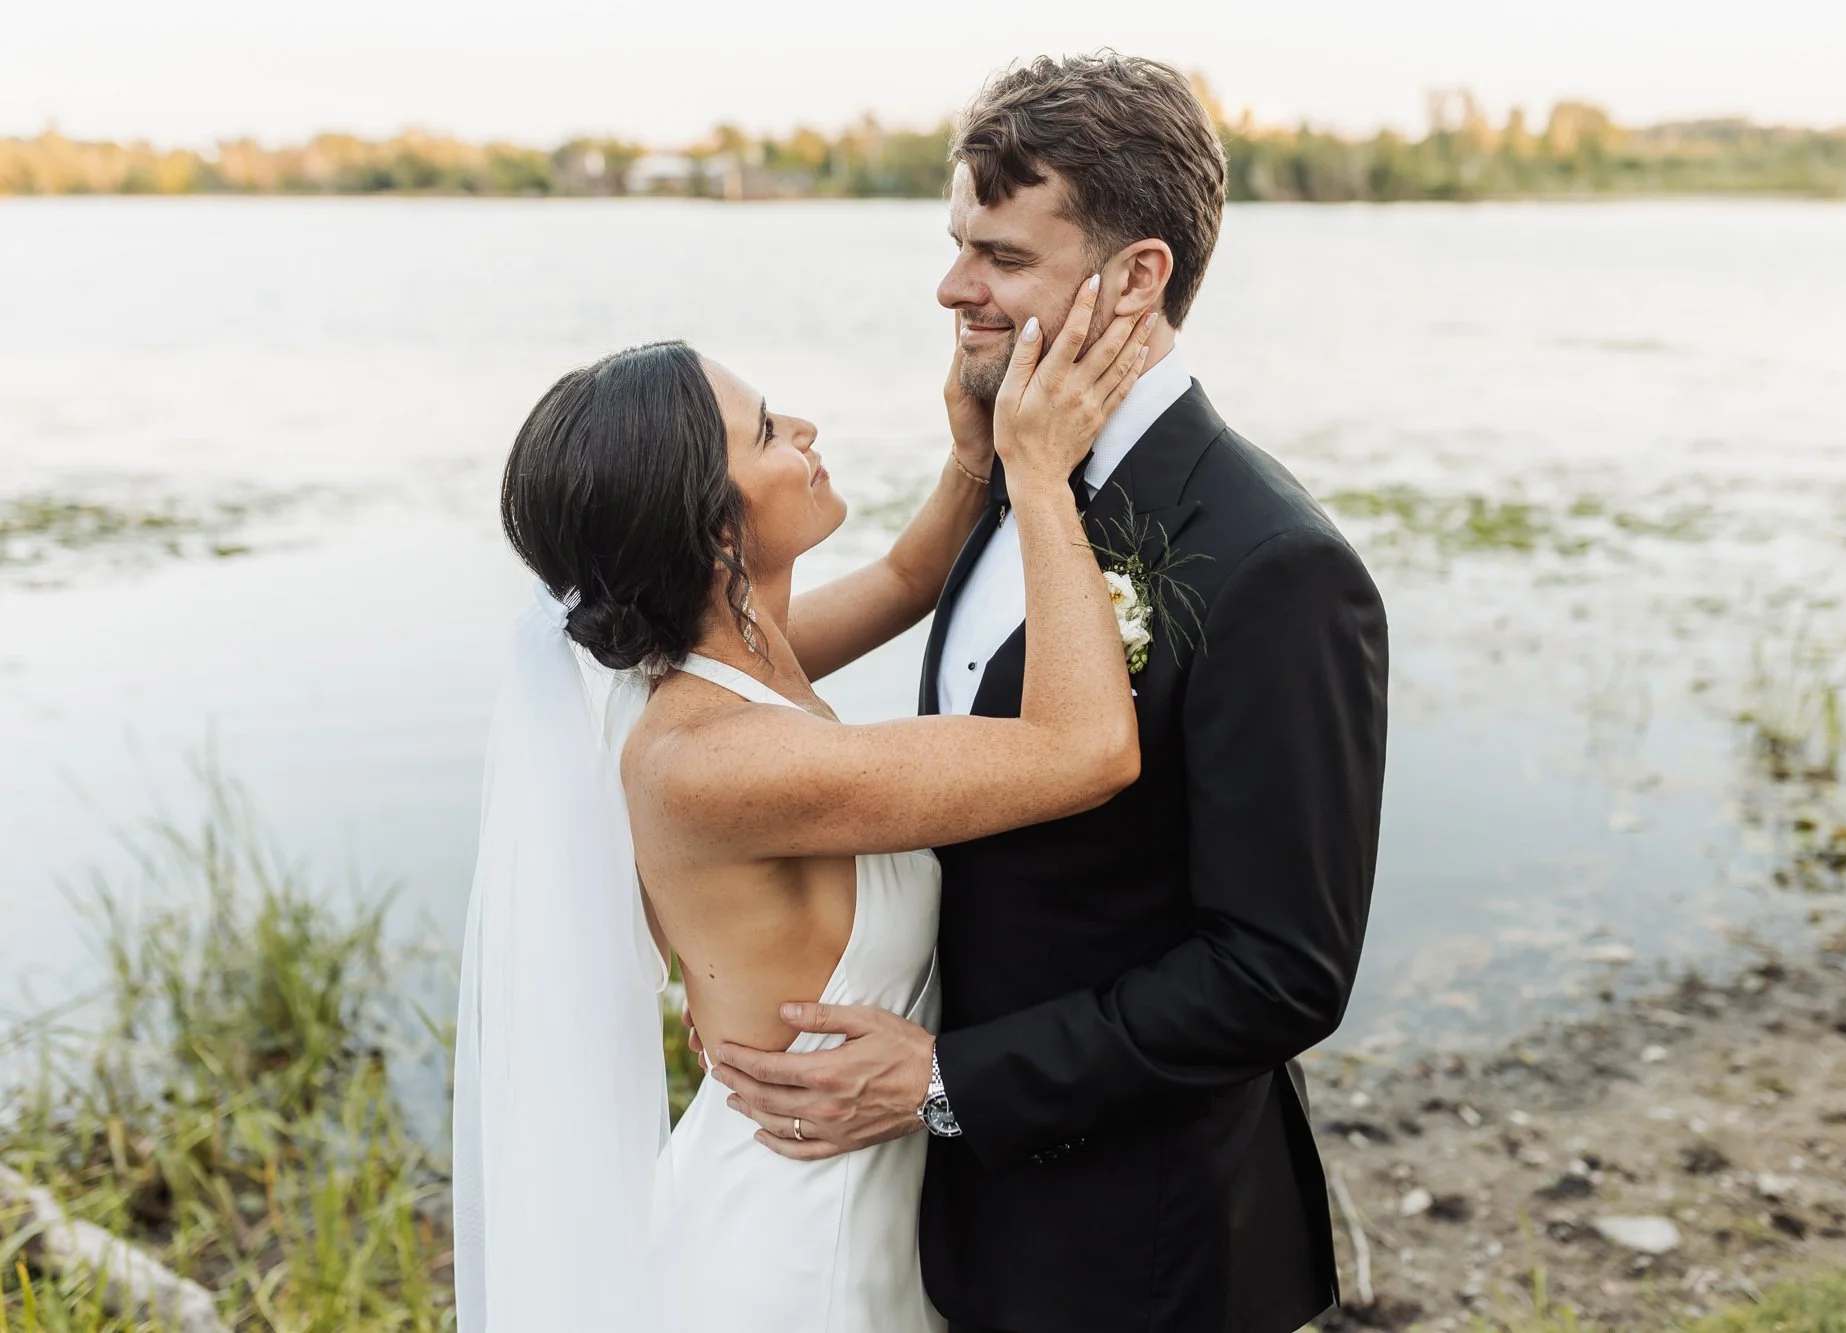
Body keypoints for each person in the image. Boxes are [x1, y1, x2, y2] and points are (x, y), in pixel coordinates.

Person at [709, 52, 1391, 1333]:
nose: (952, 286)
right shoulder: (1011, 461)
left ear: (1136, 277)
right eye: (959, 241)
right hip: (958, 1205)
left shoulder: (1276, 569)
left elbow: (1278, 973)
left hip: (1140, 1243)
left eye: (1003, 259)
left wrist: (947, 1081)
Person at [452, 282, 1156, 1332]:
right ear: (716, 528)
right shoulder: (708, 760)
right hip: (793, 1250)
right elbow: (1084, 750)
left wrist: (979, 453)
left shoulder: (722, 668)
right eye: (769, 431)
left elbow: (912, 574)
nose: (807, 429)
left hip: (847, 1206)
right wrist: (1042, 475)